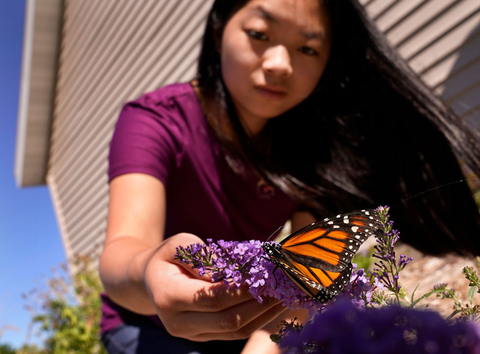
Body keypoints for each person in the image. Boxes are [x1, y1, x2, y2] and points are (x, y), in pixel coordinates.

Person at [98, 0, 480, 353]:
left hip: (253, 321)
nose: (280, 63)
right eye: (260, 35)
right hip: (145, 323)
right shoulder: (156, 120)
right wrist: (150, 273)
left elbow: (306, 281)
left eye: (308, 48)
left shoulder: (312, 150)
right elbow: (122, 251)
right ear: (218, 33)